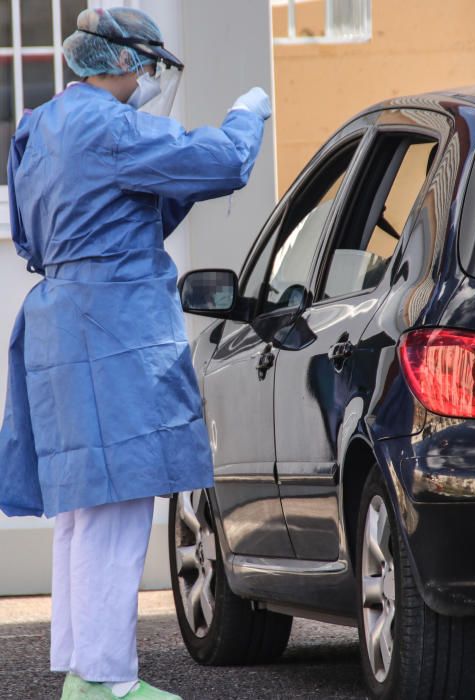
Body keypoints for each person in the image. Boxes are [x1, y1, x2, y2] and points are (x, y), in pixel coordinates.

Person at [0, 7, 271, 700]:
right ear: (121, 62)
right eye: (146, 65)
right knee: (118, 509)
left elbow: (53, 232)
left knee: (83, 512)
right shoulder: (111, 126)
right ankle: (108, 682)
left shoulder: (40, 126)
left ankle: (81, 673)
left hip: (63, 323)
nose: (148, 78)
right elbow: (221, 163)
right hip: (111, 329)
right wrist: (248, 116)